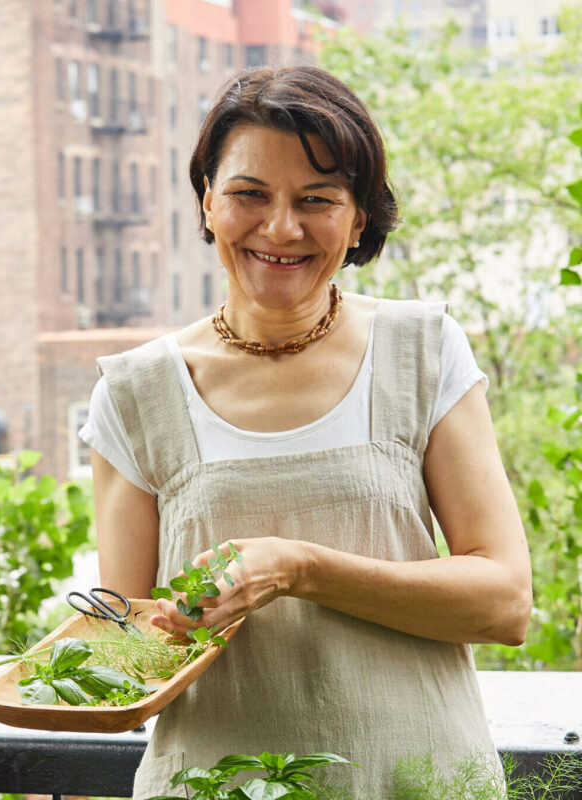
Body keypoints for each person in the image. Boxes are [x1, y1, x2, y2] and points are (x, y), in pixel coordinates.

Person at [79, 65, 532, 799]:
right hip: (211, 784)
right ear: (207, 204)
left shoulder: (424, 350)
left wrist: (300, 568)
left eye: (316, 200)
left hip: (418, 779)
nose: (280, 228)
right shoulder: (134, 394)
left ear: (358, 221)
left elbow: (505, 602)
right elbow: (128, 654)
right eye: (249, 195)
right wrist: (110, 645)